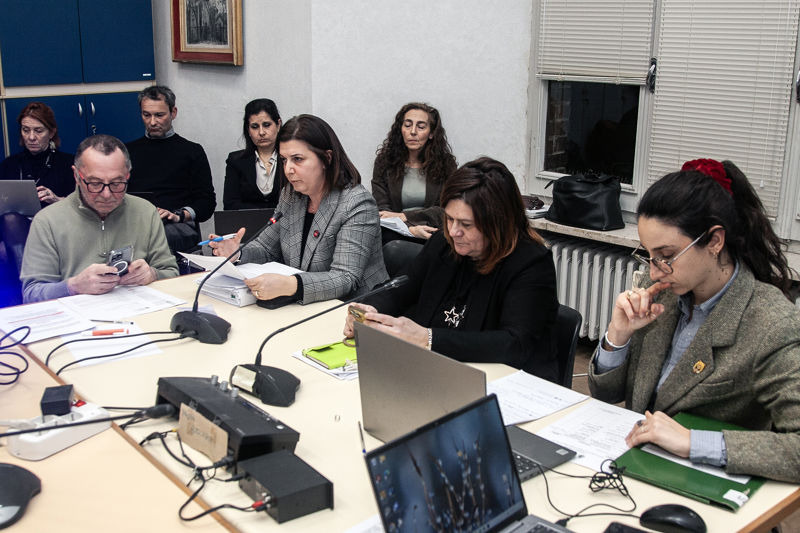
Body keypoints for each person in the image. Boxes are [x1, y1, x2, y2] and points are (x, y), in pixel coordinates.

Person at [589, 158, 800, 483]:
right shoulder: (659, 293)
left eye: (666, 256)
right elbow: (605, 394)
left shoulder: (771, 322)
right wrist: (617, 336)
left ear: (715, 241)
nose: (654, 271)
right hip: (635, 469)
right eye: (648, 255)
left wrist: (693, 442)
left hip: (703, 486)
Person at [345, 157, 560, 381]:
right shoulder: (443, 243)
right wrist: (370, 309)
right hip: (438, 371)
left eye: (466, 224)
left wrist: (427, 338)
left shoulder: (531, 263)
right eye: (449, 219)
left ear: (498, 223)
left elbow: (514, 344)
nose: (454, 231)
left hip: (506, 381)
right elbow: (399, 289)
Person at [209, 114, 388, 304]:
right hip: (303, 304)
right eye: (284, 160)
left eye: (298, 159)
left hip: (357, 307)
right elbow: (266, 248)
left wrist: (291, 285)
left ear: (326, 158)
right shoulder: (291, 195)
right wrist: (237, 253)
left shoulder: (357, 203)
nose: (288, 169)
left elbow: (346, 278)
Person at [20, 134, 178, 304]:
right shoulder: (47, 221)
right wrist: (73, 286)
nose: (107, 194)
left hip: (138, 312)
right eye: (95, 183)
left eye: (116, 183)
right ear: (77, 176)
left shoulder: (146, 212)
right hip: (77, 315)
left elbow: (172, 272)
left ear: (127, 176)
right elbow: (31, 293)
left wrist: (153, 274)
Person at [0, 102, 75, 306]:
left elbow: (82, 205)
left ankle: (25, 293)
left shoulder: (67, 163)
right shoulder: (10, 165)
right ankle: (26, 290)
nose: (31, 137)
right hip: (15, 232)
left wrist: (56, 199)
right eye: (26, 130)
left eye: (38, 131)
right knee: (10, 220)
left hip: (53, 229)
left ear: (51, 132)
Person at [126, 86, 216, 252]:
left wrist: (179, 215)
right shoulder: (127, 152)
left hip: (178, 228)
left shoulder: (192, 151)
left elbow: (207, 203)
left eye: (159, 115)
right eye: (147, 115)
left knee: (166, 235)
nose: (152, 122)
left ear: (173, 113)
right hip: (138, 225)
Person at [371, 102, 457, 242]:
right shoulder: (385, 161)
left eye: (421, 127)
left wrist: (405, 216)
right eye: (407, 125)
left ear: (431, 133)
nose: (413, 132)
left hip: (432, 230)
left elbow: (447, 210)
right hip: (395, 232)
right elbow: (382, 210)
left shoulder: (446, 164)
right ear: (400, 129)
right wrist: (409, 229)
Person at [223, 98, 284, 210]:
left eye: (266, 125)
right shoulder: (235, 161)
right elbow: (230, 204)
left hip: (287, 220)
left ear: (278, 124)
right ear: (248, 129)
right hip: (247, 220)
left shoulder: (290, 159)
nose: (261, 132)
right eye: (255, 127)